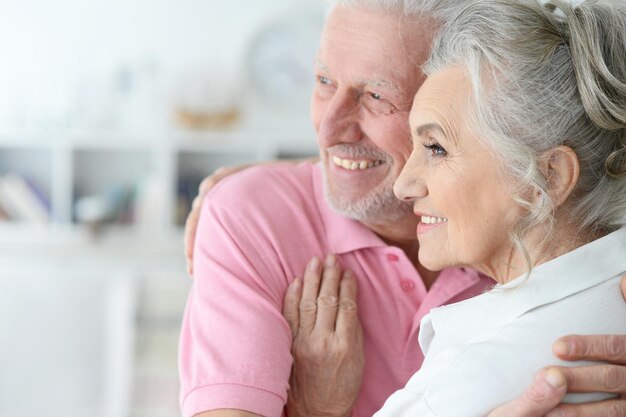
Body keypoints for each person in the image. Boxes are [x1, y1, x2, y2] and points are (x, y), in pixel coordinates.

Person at [178, 1, 626, 416]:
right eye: (322, 81)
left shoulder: (501, 348)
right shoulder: (252, 218)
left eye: (377, 96)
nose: (327, 129)